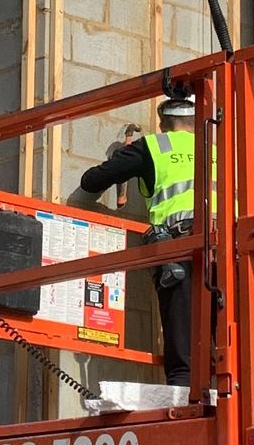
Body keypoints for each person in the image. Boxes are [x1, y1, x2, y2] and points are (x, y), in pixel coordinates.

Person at [73, 89, 200, 386]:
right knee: (222, 334)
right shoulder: (217, 148)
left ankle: (183, 395)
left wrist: (121, 159)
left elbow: (91, 181)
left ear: (163, 124)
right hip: (226, 249)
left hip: (181, 247)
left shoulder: (154, 147)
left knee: (182, 344)